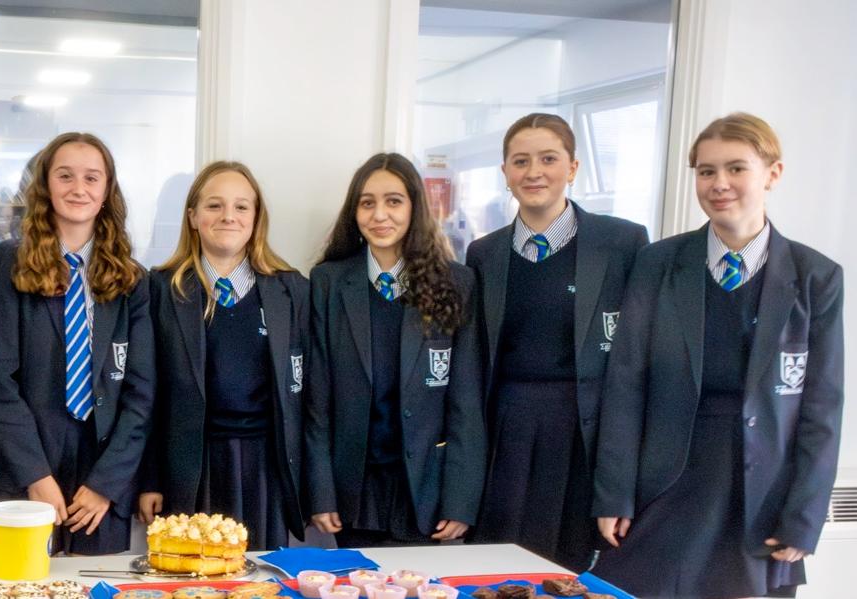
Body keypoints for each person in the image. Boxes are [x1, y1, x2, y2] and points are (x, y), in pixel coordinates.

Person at [592, 113, 844, 598]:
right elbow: (625, 385)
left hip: (761, 500)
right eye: (706, 171)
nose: (719, 183)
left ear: (772, 174)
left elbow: (822, 409)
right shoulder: (657, 263)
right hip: (663, 486)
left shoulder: (816, 277)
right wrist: (614, 493)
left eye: (736, 168)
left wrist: (805, 516)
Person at [468, 113, 648, 571]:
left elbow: (636, 360)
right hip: (505, 430)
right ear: (505, 172)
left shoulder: (623, 243)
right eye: (520, 161)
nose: (534, 172)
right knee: (497, 564)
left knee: (568, 567)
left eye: (548, 159)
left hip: (584, 432)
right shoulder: (483, 253)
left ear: (573, 167)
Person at [0, 131, 154, 555]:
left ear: (107, 190)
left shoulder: (132, 279)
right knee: (23, 581)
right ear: (45, 185)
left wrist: (106, 484)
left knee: (97, 582)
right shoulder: (12, 263)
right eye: (65, 176)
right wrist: (35, 475)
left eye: (92, 178)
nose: (79, 188)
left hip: (102, 469)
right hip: (27, 463)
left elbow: (142, 392)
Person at [304, 152, 485, 548]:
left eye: (394, 201)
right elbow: (317, 401)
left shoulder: (456, 283)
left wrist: (460, 499)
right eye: (367, 203)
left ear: (414, 207)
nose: (379, 215)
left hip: (424, 487)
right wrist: (321, 491)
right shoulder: (328, 283)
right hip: (354, 487)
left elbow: (466, 402)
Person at [137, 161, 309, 550]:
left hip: (265, 468)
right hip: (191, 468)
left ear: (256, 218)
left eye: (241, 206)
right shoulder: (161, 289)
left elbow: (309, 398)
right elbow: (147, 395)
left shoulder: (292, 290)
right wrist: (149, 479)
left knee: (261, 573)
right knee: (195, 573)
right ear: (192, 217)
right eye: (214, 205)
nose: (228, 216)